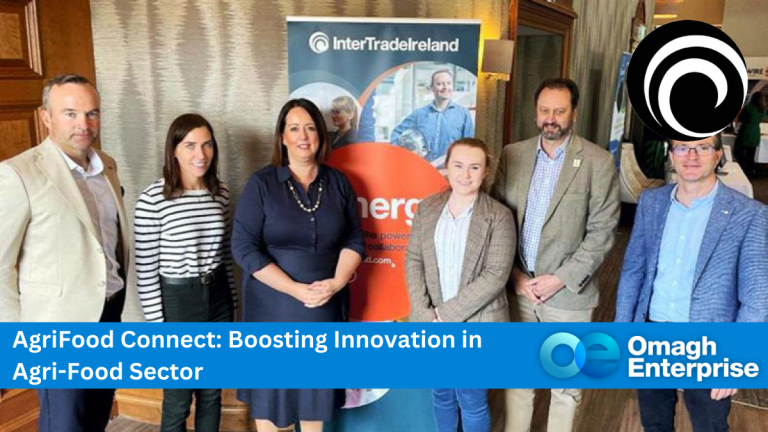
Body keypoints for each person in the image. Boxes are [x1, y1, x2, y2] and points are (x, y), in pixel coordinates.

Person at [0, 74, 139, 431]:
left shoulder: (106, 165)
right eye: (71, 113)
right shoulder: (18, 174)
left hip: (108, 316)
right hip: (55, 330)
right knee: (65, 425)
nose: (84, 124)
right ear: (46, 116)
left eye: (92, 113)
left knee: (96, 417)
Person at [615, 133, 768, 431]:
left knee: (709, 426)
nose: (691, 156)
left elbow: (758, 298)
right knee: (654, 423)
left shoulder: (750, 214)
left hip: (710, 344)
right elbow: (633, 270)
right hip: (652, 334)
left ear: (717, 154)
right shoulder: (652, 202)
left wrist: (736, 361)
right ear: (671, 155)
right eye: (683, 148)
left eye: (702, 147)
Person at [492, 78, 620, 432]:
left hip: (567, 295)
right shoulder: (512, 154)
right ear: (535, 114)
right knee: (519, 378)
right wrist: (515, 276)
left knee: (566, 386)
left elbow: (602, 231)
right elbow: (498, 220)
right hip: (519, 288)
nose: (551, 119)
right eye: (545, 111)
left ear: (573, 114)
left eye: (559, 111)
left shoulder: (597, 161)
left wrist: (560, 278)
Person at [232, 98, 365, 432]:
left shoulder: (338, 183)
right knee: (272, 402)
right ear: (282, 137)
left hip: (323, 311)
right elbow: (244, 247)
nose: (303, 135)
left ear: (320, 134)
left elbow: (354, 240)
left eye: (309, 127)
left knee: (313, 404)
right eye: (294, 128)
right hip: (271, 313)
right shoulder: (261, 185)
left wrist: (335, 283)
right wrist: (293, 288)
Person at [134, 113, 237, 431]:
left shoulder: (220, 193)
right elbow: (146, 269)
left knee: (211, 391)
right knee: (179, 396)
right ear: (174, 150)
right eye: (190, 145)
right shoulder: (153, 200)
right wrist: (157, 328)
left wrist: (232, 301)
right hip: (177, 301)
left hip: (217, 295)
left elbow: (225, 255)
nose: (200, 154)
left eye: (207, 145)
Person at [406, 138, 515, 432]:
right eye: (458, 165)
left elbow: (495, 275)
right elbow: (414, 259)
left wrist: (444, 316)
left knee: (471, 399)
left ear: (485, 172)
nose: (465, 174)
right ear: (447, 167)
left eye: (474, 167)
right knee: (441, 393)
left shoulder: (499, 217)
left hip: (478, 323)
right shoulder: (427, 209)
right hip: (432, 324)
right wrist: (424, 314)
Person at [391, 69, 474, 163]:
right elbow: (397, 132)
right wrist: (403, 153)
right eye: (440, 84)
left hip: (449, 172)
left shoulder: (463, 114)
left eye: (448, 83)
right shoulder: (419, 114)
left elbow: (468, 147)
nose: (445, 87)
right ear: (432, 88)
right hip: (423, 169)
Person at [734, 92, 766, 178]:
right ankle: (750, 172)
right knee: (751, 155)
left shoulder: (748, 108)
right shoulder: (763, 110)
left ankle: (743, 171)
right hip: (756, 133)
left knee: (738, 152)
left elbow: (741, 119)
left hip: (746, 133)